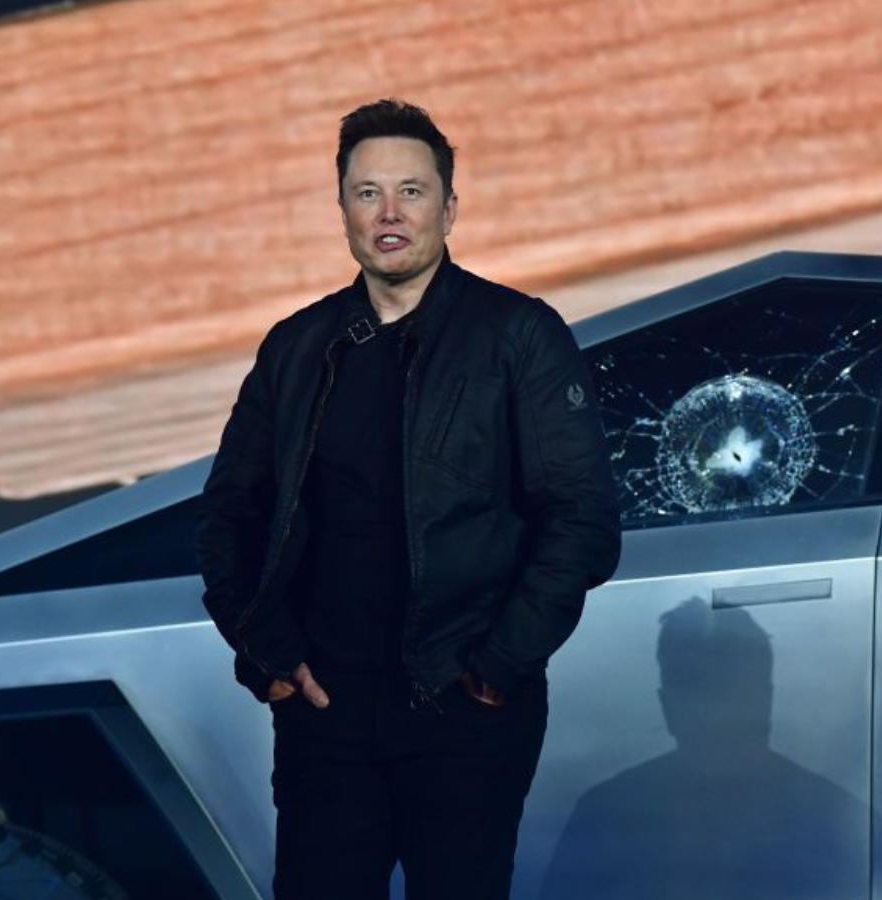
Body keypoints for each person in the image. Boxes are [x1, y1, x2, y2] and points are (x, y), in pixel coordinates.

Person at [194, 98, 622, 900]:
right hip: (325, 714)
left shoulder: (518, 334)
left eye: (412, 191)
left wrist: (497, 669)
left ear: (450, 208)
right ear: (343, 210)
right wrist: (267, 655)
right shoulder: (296, 347)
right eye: (367, 193)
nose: (389, 213)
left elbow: (582, 518)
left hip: (466, 711)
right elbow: (229, 516)